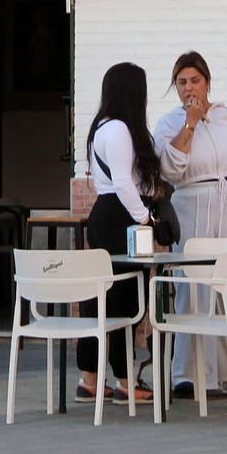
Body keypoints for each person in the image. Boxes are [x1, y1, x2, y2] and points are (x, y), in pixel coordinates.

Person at [152, 51, 227, 397]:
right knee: (192, 288)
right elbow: (171, 169)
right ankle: (189, 375)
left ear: (207, 81)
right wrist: (190, 122)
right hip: (191, 206)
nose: (189, 88)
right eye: (181, 82)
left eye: (195, 80)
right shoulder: (168, 123)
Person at [74, 62, 164, 405]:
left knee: (101, 300)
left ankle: (90, 380)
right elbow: (126, 183)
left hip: (106, 214)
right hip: (121, 217)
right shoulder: (121, 130)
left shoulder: (103, 127)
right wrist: (145, 219)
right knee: (126, 301)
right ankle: (125, 381)